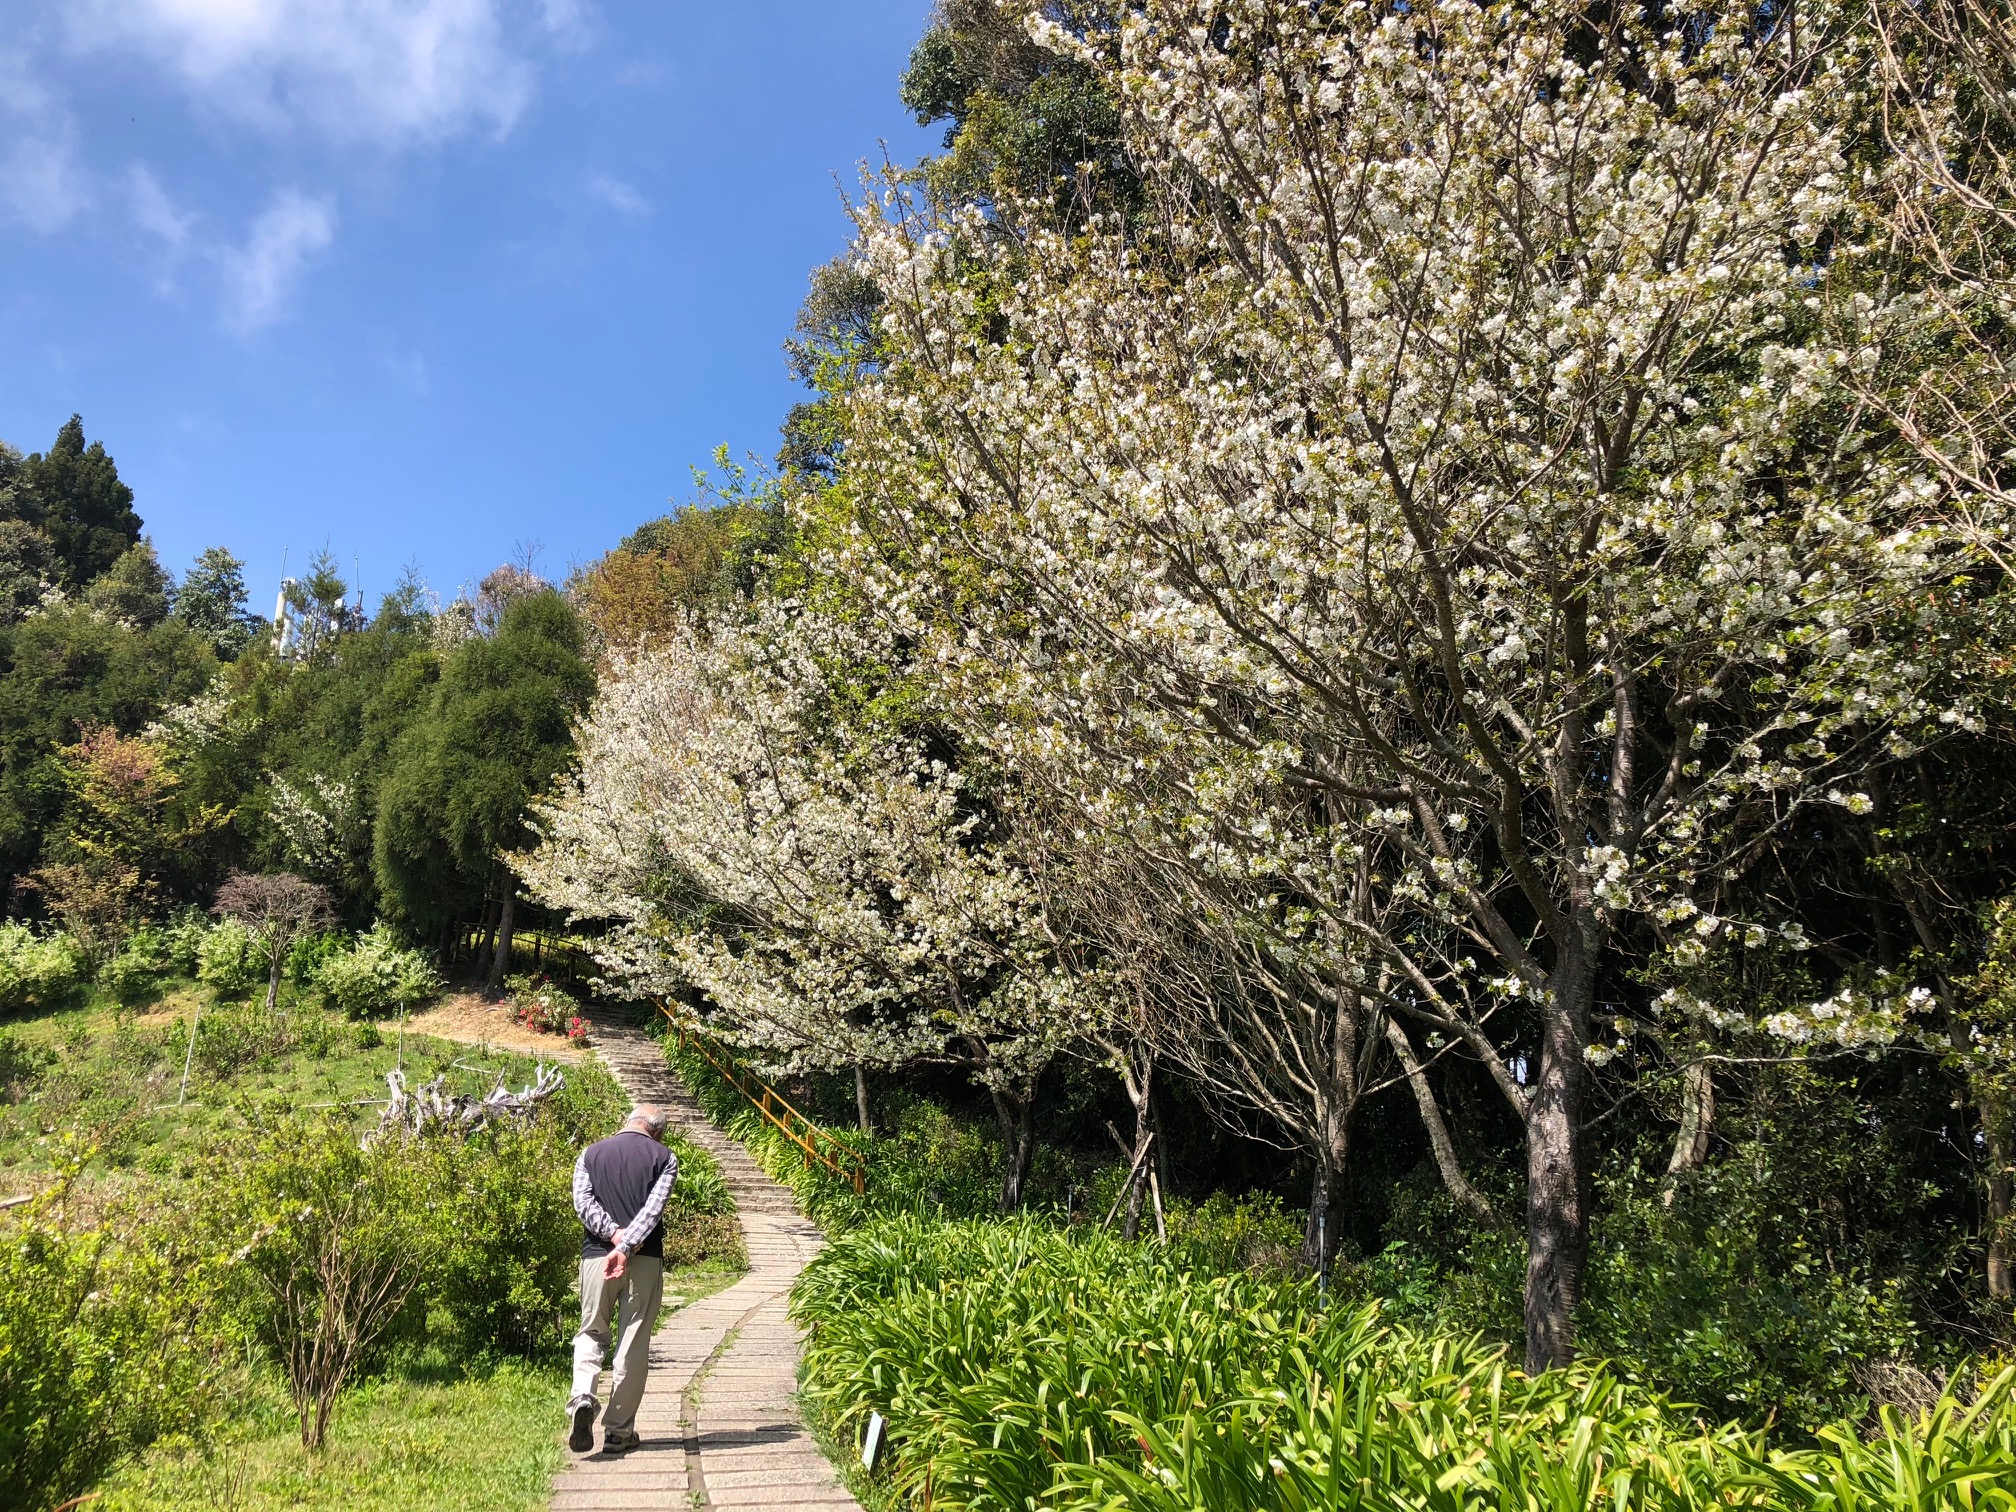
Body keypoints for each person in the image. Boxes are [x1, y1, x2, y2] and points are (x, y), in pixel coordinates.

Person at [566, 1104, 679, 1454]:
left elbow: (582, 1203)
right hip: (643, 1259)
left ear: (628, 1122)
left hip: (597, 1257)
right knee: (633, 1338)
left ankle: (583, 1395)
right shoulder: (664, 1157)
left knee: (591, 1330)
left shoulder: (590, 1153)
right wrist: (628, 1244)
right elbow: (653, 1209)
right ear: (656, 1131)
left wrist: (613, 1236)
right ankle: (618, 1431)